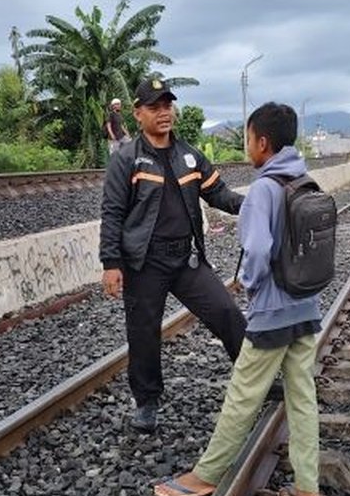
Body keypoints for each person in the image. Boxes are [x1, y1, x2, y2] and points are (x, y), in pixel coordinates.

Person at [154, 102, 325, 496]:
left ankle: (206, 474)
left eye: (248, 139)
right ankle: (308, 488)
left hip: (272, 312)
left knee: (243, 394)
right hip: (306, 307)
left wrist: (248, 284)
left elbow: (258, 250)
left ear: (262, 143)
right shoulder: (303, 179)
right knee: (302, 398)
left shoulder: (263, 189)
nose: (248, 147)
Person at [99, 77, 246, 432]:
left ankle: (254, 379)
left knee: (226, 311)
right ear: (138, 114)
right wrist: (111, 263)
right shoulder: (127, 159)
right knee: (143, 332)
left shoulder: (190, 155)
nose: (164, 113)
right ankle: (147, 402)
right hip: (144, 262)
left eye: (168, 105)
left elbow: (219, 193)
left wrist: (258, 204)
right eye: (155, 107)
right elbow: (113, 212)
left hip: (185, 259)